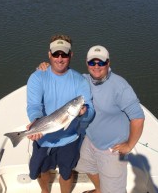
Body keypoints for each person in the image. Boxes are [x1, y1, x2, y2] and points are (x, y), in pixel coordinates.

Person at [38, 45, 145, 193]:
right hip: (90, 140)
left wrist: (129, 145)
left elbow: (138, 117)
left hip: (111, 148)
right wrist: (45, 69)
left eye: (101, 63)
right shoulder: (83, 80)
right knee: (82, 164)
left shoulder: (120, 86)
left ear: (108, 63)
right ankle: (100, 189)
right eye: (92, 63)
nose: (96, 67)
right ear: (86, 63)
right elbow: (62, 78)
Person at [26, 34, 95, 193]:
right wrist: (35, 122)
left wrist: (83, 113)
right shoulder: (37, 77)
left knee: (66, 172)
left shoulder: (79, 81)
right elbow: (34, 105)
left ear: (71, 55)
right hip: (43, 137)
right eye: (56, 54)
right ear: (49, 54)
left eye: (64, 54)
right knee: (42, 171)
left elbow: (90, 112)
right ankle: (45, 191)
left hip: (69, 139)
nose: (60, 58)